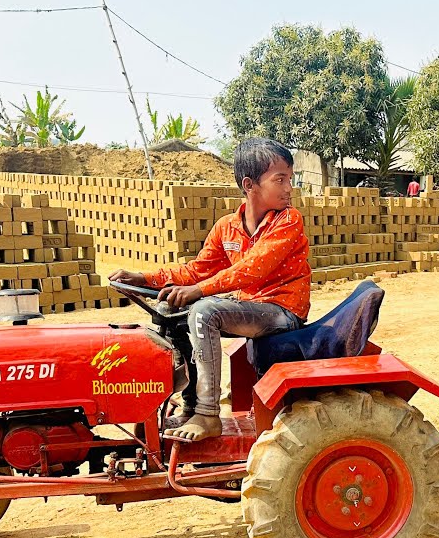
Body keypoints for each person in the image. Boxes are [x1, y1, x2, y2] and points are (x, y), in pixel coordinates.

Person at [109, 138, 310, 442]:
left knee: (205, 311)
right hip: (250, 308)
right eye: (280, 180)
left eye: (289, 179)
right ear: (249, 185)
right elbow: (196, 270)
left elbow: (252, 268)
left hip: (282, 311)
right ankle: (191, 406)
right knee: (170, 311)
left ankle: (208, 414)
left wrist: (199, 291)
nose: (288, 188)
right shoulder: (227, 227)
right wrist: (145, 278)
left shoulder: (288, 220)